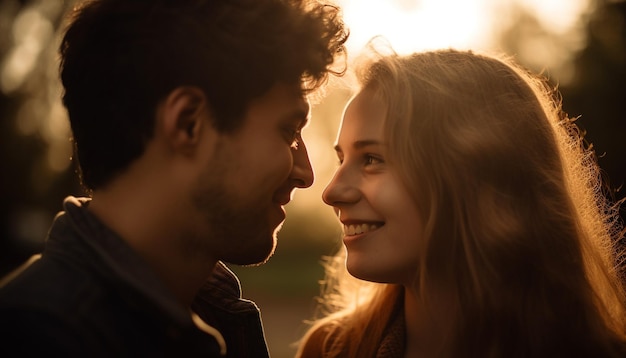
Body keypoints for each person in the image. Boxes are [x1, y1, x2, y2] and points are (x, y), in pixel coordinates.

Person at [0, 0, 348, 356]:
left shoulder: (215, 317)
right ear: (188, 123)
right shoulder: (35, 338)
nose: (306, 174)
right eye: (288, 131)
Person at [295, 47, 626, 357]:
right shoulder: (331, 350)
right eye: (342, 160)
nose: (332, 192)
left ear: (476, 174)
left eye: (371, 159)